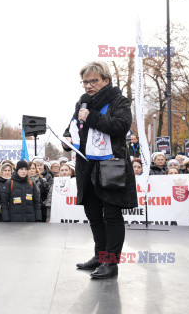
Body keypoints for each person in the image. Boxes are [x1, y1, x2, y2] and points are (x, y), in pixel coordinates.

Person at [62, 61, 137, 279]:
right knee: (93, 214)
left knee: (112, 215)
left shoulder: (119, 100)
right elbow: (72, 128)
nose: (88, 85)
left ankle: (111, 264)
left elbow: (120, 126)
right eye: (85, 82)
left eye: (93, 81)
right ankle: (100, 255)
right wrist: (66, 140)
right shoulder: (82, 103)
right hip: (87, 166)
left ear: (106, 80)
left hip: (110, 165)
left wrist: (92, 117)